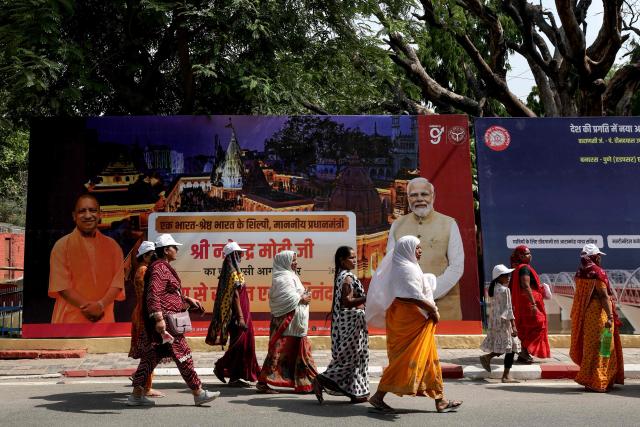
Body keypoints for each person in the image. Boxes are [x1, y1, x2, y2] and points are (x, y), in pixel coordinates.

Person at [366, 235, 462, 413]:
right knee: (406, 360)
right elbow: (409, 295)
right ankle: (378, 396)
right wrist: (432, 310)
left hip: (413, 320)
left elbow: (417, 290)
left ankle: (440, 400)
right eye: (417, 248)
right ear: (408, 249)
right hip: (408, 320)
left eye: (420, 248)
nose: (420, 252)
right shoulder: (405, 269)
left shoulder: (408, 266)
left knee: (427, 359)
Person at [127, 233, 219, 406]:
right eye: (174, 247)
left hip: (167, 321)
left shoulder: (161, 267)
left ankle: (136, 395)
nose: (177, 250)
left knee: (150, 359)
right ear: (166, 250)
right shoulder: (160, 268)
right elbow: (154, 294)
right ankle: (198, 392)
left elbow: (168, 293)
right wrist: (159, 319)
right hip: (167, 323)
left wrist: (186, 300)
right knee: (184, 355)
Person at [386, 177, 464, 320]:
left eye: (424, 194)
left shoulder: (449, 224)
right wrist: (412, 294)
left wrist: (427, 294)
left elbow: (457, 267)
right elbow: (391, 264)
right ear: (408, 198)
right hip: (408, 307)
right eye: (414, 195)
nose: (419, 199)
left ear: (432, 196)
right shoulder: (397, 225)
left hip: (444, 307)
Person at [48, 194, 125, 323]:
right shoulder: (61, 245)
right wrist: (89, 308)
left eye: (93, 210)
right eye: (82, 211)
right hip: (69, 320)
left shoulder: (113, 246)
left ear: (100, 215)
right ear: (74, 216)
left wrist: (100, 305)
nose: (88, 215)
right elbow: (61, 286)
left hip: (103, 318)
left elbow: (117, 283)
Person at [313, 246, 369, 404]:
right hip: (351, 324)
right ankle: (322, 380)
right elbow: (347, 302)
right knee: (349, 358)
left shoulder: (344, 275)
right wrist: (369, 297)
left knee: (355, 357)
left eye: (355, 257)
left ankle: (355, 391)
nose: (355, 260)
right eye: (351, 258)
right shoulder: (347, 278)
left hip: (351, 323)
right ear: (342, 260)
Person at [256, 250, 318, 393]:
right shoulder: (282, 278)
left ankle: (306, 383)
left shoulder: (291, 276)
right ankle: (263, 382)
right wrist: (302, 298)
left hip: (296, 324)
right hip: (286, 323)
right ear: (284, 261)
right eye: (293, 260)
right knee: (278, 353)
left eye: (295, 260)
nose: (296, 263)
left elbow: (294, 295)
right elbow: (284, 299)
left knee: (299, 352)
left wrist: (303, 295)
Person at [570, 244, 624, 392]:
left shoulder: (580, 272)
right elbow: (603, 296)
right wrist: (611, 316)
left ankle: (589, 380)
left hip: (587, 315)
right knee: (605, 347)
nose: (600, 258)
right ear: (594, 257)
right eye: (598, 255)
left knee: (591, 347)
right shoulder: (597, 272)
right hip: (600, 314)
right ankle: (599, 380)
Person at [206, 241, 260, 386]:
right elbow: (235, 295)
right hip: (237, 314)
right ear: (234, 255)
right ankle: (221, 366)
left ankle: (236, 377)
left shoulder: (232, 270)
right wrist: (241, 317)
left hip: (243, 312)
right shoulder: (231, 272)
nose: (242, 255)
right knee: (240, 345)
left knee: (243, 344)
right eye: (239, 253)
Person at [128, 240, 164, 397]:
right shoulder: (144, 271)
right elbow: (147, 297)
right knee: (150, 351)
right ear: (146, 256)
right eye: (152, 254)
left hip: (143, 312)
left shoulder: (144, 269)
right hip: (144, 314)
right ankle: (146, 387)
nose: (155, 256)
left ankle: (140, 378)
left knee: (150, 351)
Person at [479, 264, 521, 383]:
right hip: (504, 322)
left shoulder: (493, 289)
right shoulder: (505, 290)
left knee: (508, 346)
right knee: (511, 347)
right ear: (499, 277)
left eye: (508, 275)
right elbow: (508, 309)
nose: (508, 277)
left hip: (495, 322)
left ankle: (489, 359)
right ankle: (505, 375)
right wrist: (513, 325)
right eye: (505, 275)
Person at [509, 245, 550, 363]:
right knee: (539, 325)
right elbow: (526, 286)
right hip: (528, 303)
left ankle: (523, 354)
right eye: (527, 254)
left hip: (525, 302)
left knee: (528, 329)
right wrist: (533, 304)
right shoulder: (524, 269)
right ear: (521, 256)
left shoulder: (519, 269)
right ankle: (524, 351)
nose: (530, 255)